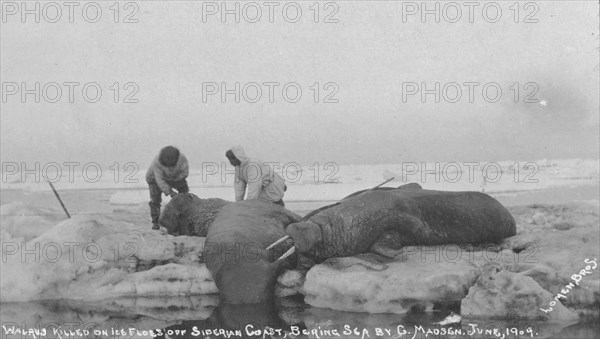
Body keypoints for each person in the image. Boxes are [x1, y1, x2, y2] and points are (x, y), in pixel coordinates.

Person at [146, 146, 189, 230]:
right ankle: (155, 222)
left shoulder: (182, 159)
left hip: (174, 177)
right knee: (155, 200)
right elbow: (160, 180)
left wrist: (176, 181)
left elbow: (185, 173)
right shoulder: (157, 162)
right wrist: (170, 191)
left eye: (171, 163)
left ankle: (184, 217)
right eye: (167, 163)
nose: (169, 166)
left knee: (184, 194)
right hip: (154, 179)